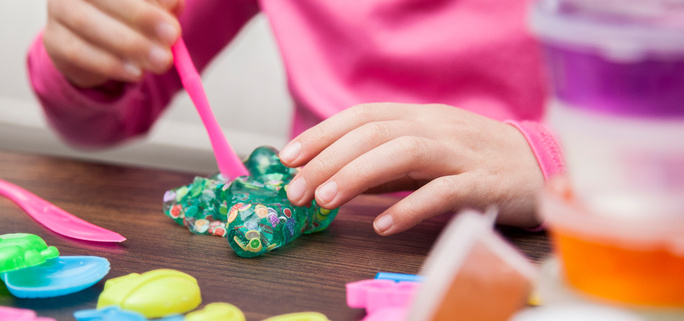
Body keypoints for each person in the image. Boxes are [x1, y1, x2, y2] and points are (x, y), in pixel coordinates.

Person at [28, 0, 564, 235]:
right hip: (328, 248)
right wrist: (86, 53)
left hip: (573, 249)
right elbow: (106, 116)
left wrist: (561, 164)